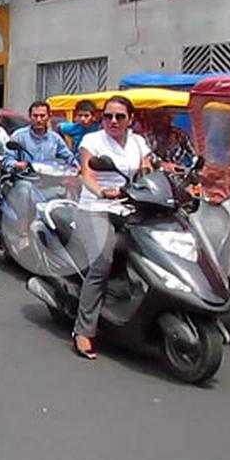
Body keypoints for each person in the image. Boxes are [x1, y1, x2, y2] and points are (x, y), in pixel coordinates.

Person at [74, 96, 155, 360]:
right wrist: (101, 191)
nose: (113, 121)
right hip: (95, 208)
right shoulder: (93, 141)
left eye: (120, 117)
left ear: (130, 119)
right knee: (101, 263)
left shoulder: (138, 142)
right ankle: (83, 330)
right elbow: (88, 174)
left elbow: (146, 171)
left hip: (130, 207)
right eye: (108, 116)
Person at [3, 101, 79, 249]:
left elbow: (68, 156)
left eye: (42, 116)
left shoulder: (55, 138)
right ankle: (23, 233)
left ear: (48, 117)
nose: (38, 119)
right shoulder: (19, 136)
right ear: (30, 117)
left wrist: (77, 167)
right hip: (25, 180)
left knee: (69, 193)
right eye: (35, 116)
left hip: (49, 181)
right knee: (24, 190)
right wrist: (16, 164)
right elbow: (7, 159)